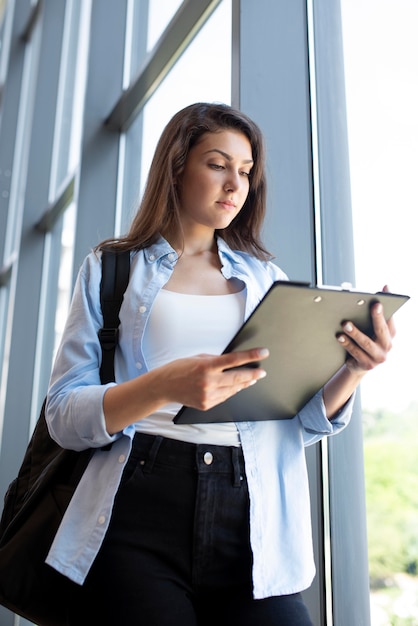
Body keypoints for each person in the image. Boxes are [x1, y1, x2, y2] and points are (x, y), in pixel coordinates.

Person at [45, 102, 395, 625]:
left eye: (246, 171)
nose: (235, 184)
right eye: (217, 164)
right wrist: (164, 384)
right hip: (139, 504)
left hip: (253, 512)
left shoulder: (264, 280)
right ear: (177, 165)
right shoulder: (111, 269)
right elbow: (64, 418)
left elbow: (295, 418)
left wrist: (354, 370)